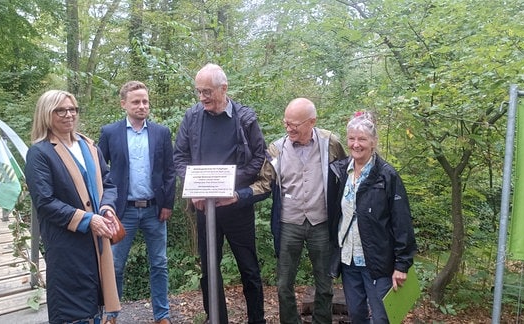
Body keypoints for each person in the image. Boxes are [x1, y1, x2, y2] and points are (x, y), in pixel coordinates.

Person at [230, 97, 346, 323]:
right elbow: (264, 183)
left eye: (294, 124)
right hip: (288, 224)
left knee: (325, 283)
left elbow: (347, 173)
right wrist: (238, 195)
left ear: (312, 121)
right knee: (284, 284)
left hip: (321, 223)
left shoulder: (330, 142)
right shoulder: (276, 149)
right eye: (286, 122)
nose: (288, 128)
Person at [173, 63, 267, 324]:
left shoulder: (245, 118)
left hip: (237, 207)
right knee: (209, 271)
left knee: (249, 269)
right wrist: (194, 188)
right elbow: (179, 157)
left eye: (207, 92)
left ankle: (257, 320)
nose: (202, 97)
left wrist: (228, 185)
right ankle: (216, 319)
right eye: (198, 92)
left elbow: (259, 157)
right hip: (204, 207)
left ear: (223, 89)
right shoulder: (192, 117)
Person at [25, 90, 121, 324]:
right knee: (72, 310)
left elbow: (108, 183)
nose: (69, 114)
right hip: (67, 244)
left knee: (96, 305)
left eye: (73, 109)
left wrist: (107, 208)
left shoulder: (88, 145)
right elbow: (45, 202)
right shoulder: (40, 153)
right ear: (47, 114)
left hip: (97, 241)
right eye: (61, 110)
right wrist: (89, 220)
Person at [327, 111, 417, 324]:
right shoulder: (340, 172)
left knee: (381, 317)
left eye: (362, 139)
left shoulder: (387, 175)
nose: (356, 144)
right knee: (357, 315)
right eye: (351, 138)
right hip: (348, 260)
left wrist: (402, 264)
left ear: (374, 142)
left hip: (377, 262)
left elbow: (401, 221)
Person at [98, 81, 176, 324]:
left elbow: (169, 171)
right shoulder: (110, 133)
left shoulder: (161, 133)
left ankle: (161, 315)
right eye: (136, 102)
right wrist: (106, 205)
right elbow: (100, 170)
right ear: (124, 104)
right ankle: (111, 314)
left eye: (145, 101)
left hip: (154, 209)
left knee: (160, 264)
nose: (142, 106)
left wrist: (168, 204)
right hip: (122, 212)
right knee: (116, 265)